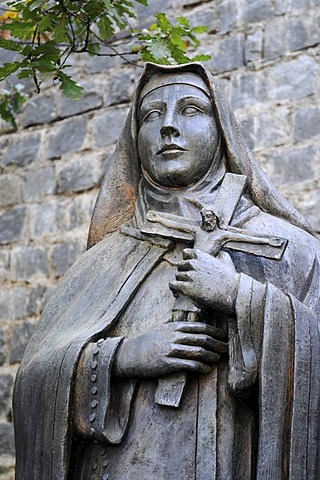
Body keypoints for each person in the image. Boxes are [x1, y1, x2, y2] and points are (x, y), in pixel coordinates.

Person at [13, 62, 320, 480]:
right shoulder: (100, 263)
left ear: (222, 130)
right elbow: (32, 384)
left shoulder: (292, 250)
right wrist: (123, 357)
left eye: (191, 109)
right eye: (151, 115)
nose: (168, 127)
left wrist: (239, 297)